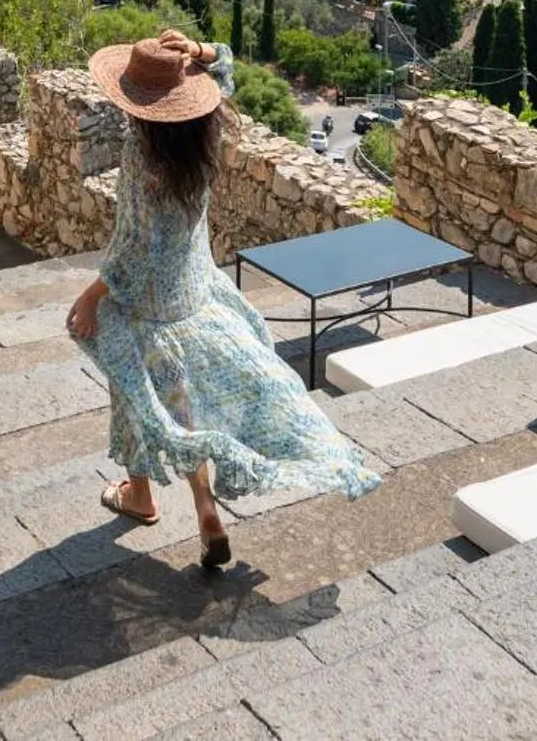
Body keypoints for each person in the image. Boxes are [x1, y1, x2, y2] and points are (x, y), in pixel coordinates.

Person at [67, 29, 380, 568]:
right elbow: (227, 70)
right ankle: (201, 509)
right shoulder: (202, 133)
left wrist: (94, 291)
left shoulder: (144, 154)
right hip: (195, 286)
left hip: (148, 300)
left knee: (140, 390)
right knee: (181, 403)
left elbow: (136, 246)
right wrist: (201, 53)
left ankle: (146, 495)